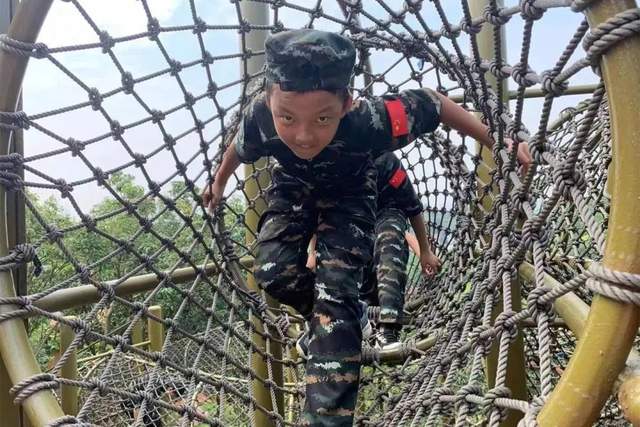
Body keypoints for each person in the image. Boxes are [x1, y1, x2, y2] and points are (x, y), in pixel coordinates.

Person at [202, 28, 531, 427]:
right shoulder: (260, 117)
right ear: (269, 100)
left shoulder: (371, 120)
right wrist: (218, 183)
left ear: (347, 104)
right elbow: (239, 148)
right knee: (273, 272)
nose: (303, 135)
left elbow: (435, 103)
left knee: (336, 297)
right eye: (287, 117)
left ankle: (329, 404)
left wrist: (498, 141)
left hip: (350, 197)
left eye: (322, 118)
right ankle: (349, 315)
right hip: (293, 189)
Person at [307, 152, 442, 350]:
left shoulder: (386, 163)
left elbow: (413, 208)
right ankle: (337, 320)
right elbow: (319, 213)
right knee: (338, 245)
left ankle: (388, 329)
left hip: (387, 215)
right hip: (355, 235)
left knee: (389, 234)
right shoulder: (333, 163)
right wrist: (312, 253)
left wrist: (425, 251)